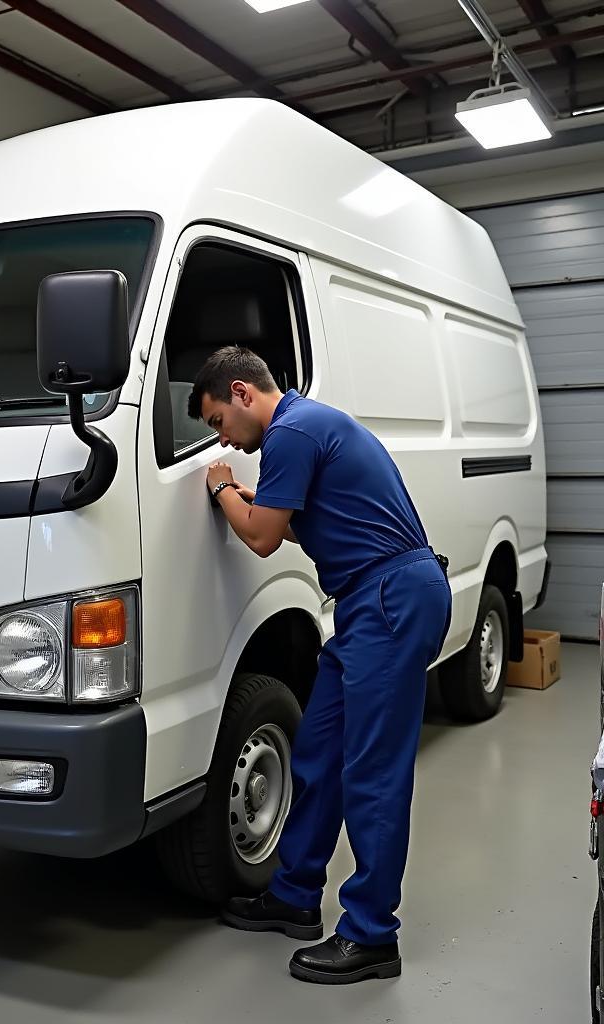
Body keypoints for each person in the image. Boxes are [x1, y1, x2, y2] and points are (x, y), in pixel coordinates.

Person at [188, 345, 451, 986]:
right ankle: (296, 893)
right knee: (319, 753)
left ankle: (370, 936)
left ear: (244, 393)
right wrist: (258, 495)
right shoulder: (305, 430)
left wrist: (223, 489)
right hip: (371, 601)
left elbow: (262, 536)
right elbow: (320, 520)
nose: (224, 439)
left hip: (389, 599)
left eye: (219, 421)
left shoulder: (291, 433)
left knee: (371, 772)